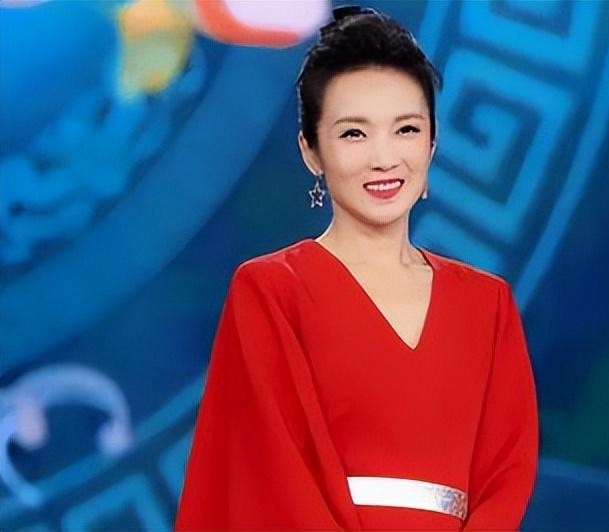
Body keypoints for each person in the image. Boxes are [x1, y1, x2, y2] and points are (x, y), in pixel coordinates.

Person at [175, 5, 538, 530]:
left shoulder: (487, 304)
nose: (384, 158)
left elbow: (508, 471)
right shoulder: (272, 290)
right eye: (353, 134)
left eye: (406, 129)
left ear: (432, 142)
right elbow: (271, 471)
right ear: (311, 151)